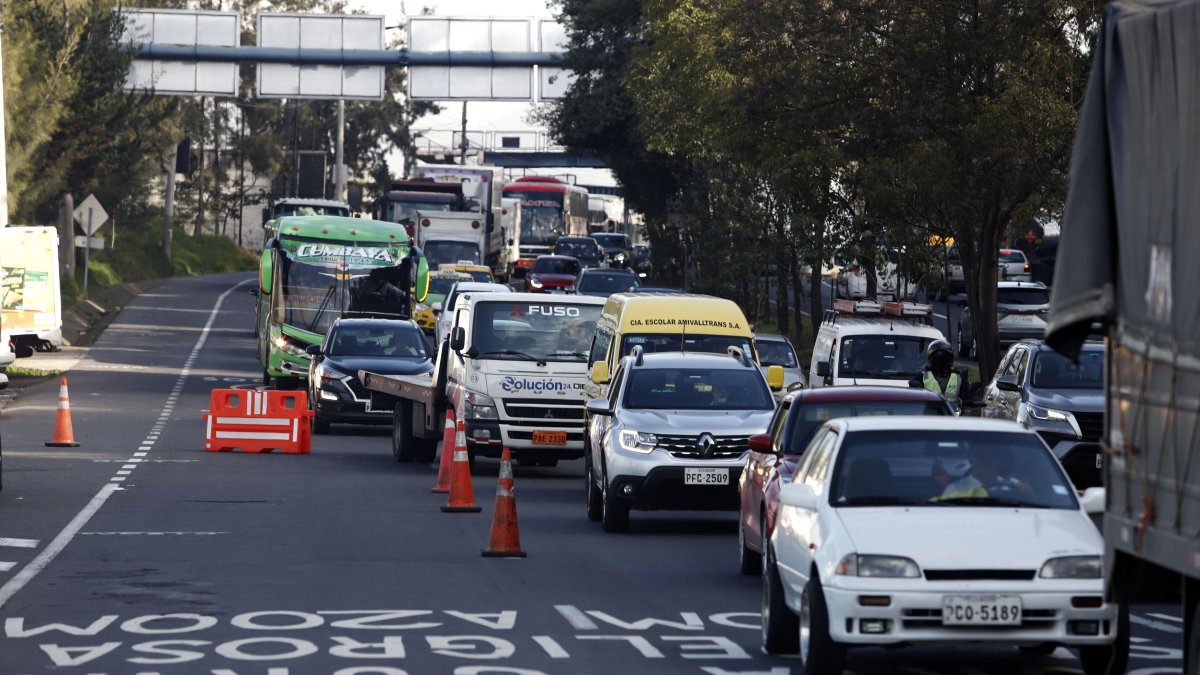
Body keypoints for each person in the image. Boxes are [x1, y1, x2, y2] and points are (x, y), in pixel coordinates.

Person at [909, 339, 968, 411]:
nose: (941, 361)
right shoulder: (922, 377)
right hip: (930, 415)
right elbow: (912, 393)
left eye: (944, 357)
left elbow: (967, 398)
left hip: (954, 416)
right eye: (936, 357)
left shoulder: (959, 378)